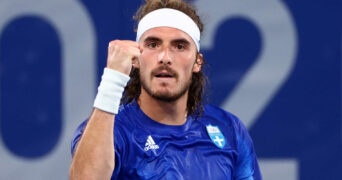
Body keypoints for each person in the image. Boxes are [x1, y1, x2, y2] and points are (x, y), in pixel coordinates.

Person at [69, 0, 262, 179]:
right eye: (153, 44)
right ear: (137, 57)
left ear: (197, 62)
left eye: (179, 46)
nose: (165, 57)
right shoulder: (110, 131)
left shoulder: (229, 129)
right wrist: (112, 81)